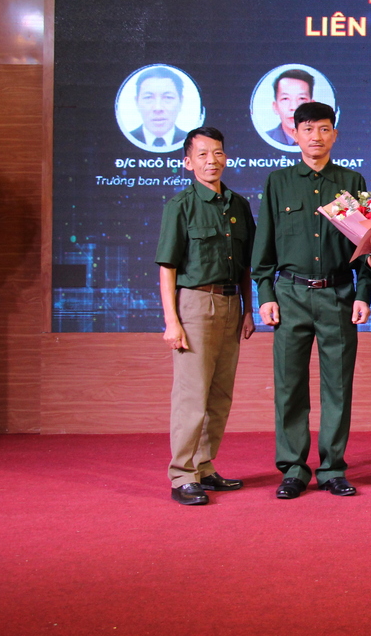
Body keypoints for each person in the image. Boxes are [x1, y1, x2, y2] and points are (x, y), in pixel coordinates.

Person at [251, 102, 371, 499]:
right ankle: (293, 469)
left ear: (334, 135)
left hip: (338, 294)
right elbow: (264, 244)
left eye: (324, 129)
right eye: (308, 129)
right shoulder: (278, 182)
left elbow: (367, 243)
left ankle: (333, 468)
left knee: (338, 385)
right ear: (294, 134)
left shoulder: (351, 181)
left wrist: (364, 292)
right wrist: (265, 294)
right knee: (290, 386)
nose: (316, 137)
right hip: (290, 295)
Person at [155, 127, 256, 505]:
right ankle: (182, 474)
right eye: (202, 154)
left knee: (219, 395)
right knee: (192, 395)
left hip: (231, 306)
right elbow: (167, 267)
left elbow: (245, 265)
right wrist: (172, 321)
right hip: (195, 306)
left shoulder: (238, 205)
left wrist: (248, 309)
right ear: (188, 162)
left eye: (217, 153)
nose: (211, 161)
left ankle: (204, 465)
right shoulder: (180, 205)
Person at [129, 66, 187, 148]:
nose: (158, 108)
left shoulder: (193, 141)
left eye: (168, 97)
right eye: (148, 97)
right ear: (136, 102)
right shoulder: (120, 140)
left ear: (181, 101)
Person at [264, 69, 315, 147]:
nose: (294, 107)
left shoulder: (326, 139)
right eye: (285, 99)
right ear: (275, 107)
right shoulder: (264, 140)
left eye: (301, 98)